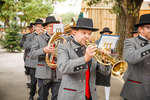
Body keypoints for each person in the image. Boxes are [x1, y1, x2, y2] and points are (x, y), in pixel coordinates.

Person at [57, 18, 111, 100]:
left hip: (91, 96)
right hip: (71, 96)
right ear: (75, 33)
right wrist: (85, 59)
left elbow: (105, 72)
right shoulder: (64, 47)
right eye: (83, 33)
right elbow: (63, 68)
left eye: (89, 34)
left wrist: (105, 60)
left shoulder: (93, 48)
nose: (87, 36)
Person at [30, 16, 61, 100]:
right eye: (50, 26)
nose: (52, 28)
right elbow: (32, 54)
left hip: (58, 74)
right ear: (46, 27)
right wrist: (43, 50)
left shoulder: (61, 39)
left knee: (57, 97)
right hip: (43, 73)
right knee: (42, 97)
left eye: (54, 26)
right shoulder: (38, 38)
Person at [120, 14, 150, 100]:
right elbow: (131, 58)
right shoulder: (130, 42)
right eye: (148, 28)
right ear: (140, 29)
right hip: (134, 91)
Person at [24, 19, 43, 100]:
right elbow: (25, 45)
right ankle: (31, 95)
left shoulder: (45, 36)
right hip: (32, 63)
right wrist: (36, 42)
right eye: (38, 26)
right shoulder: (29, 36)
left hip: (42, 62)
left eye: (41, 26)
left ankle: (40, 96)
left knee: (41, 83)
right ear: (35, 27)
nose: (40, 28)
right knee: (33, 82)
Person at [95, 27, 112, 100]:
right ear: (102, 35)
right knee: (96, 81)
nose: (107, 35)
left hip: (107, 64)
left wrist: (110, 53)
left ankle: (107, 98)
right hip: (98, 64)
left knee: (107, 81)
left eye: (108, 34)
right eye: (105, 34)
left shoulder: (111, 43)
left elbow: (114, 52)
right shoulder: (96, 42)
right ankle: (94, 96)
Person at [19, 23, 34, 88]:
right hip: (28, 55)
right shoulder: (25, 36)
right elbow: (21, 44)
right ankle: (29, 81)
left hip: (36, 56)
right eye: (30, 28)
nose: (32, 29)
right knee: (27, 70)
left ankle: (33, 84)